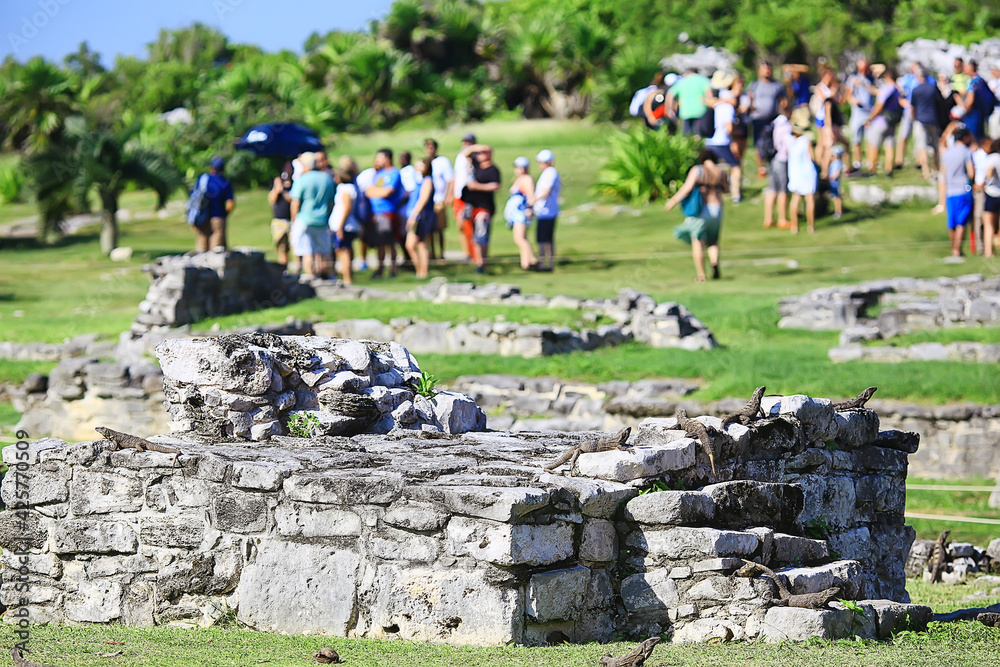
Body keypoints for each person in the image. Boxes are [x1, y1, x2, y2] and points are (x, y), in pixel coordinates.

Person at [665, 149, 728, 282]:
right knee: (713, 240)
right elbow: (726, 189)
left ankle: (701, 275)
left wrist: (673, 201)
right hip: (717, 209)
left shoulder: (698, 170)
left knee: (697, 241)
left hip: (701, 209)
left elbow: (686, 188)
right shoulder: (720, 171)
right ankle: (714, 263)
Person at [289, 152, 335, 279]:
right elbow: (331, 202)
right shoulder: (327, 178)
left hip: (304, 219)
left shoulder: (302, 179)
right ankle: (329, 276)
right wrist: (327, 216)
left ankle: (311, 276)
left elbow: (295, 202)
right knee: (324, 250)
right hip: (322, 220)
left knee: (307, 250)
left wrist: (294, 219)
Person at [460, 144, 501, 273]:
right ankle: (478, 261)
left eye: (483, 152)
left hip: (484, 207)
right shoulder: (476, 166)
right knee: (474, 235)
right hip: (472, 206)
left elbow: (496, 186)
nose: (480, 155)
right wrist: (475, 148)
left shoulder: (493, 169)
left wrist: (477, 186)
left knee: (481, 235)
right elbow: (463, 154)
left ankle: (482, 262)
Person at [365, 148, 404, 278]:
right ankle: (380, 269)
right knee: (379, 242)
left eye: (379, 158)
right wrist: (378, 192)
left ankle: (393, 269)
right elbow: (368, 191)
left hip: (388, 212)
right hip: (376, 212)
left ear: (387, 159)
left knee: (390, 242)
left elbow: (387, 192)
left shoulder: (394, 173)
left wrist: (377, 192)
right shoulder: (378, 174)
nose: (377, 161)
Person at [747, 61, 787, 178]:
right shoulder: (754, 85)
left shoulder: (777, 85)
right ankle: (761, 168)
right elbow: (748, 100)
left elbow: (783, 101)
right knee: (758, 144)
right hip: (758, 119)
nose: (767, 71)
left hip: (773, 119)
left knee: (774, 143)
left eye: (769, 69)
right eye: (764, 69)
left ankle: (773, 165)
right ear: (759, 71)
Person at [705, 86, 742, 204]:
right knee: (736, 167)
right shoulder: (728, 108)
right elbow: (729, 128)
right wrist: (736, 134)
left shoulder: (716, 106)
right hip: (722, 141)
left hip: (710, 141)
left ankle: (713, 193)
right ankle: (736, 194)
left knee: (713, 167)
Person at [941, 126, 975, 256]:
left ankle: (953, 249)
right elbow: (971, 173)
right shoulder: (966, 152)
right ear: (965, 138)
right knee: (962, 221)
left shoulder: (947, 153)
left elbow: (944, 174)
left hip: (950, 190)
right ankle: (957, 250)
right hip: (963, 189)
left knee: (952, 222)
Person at [864, 66, 902, 177]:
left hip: (882, 121)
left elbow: (879, 105)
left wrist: (870, 118)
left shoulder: (887, 88)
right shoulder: (897, 89)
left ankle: (872, 170)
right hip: (893, 121)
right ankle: (889, 170)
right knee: (889, 145)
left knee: (874, 144)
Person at [329, 157, 362, 285]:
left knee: (344, 251)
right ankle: (347, 277)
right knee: (343, 250)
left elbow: (347, 208)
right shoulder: (348, 188)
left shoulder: (345, 189)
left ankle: (348, 279)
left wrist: (340, 226)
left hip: (345, 225)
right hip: (345, 225)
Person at [193, 156, 234, 252]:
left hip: (201, 217)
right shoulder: (225, 182)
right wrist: (224, 215)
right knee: (216, 249)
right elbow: (230, 204)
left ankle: (200, 265)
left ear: (211, 168)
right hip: (218, 216)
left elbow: (194, 199)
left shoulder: (203, 180)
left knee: (202, 245)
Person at [404, 159, 435, 279]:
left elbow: (423, 200)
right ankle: (419, 271)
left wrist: (414, 215)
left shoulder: (427, 181)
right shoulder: (418, 180)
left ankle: (423, 272)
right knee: (410, 245)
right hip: (414, 215)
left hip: (421, 216)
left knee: (421, 243)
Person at [787, 113, 818, 234]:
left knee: (795, 198)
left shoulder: (790, 142)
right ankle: (811, 226)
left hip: (794, 173)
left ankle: (794, 226)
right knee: (810, 199)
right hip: (806, 173)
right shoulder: (806, 141)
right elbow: (812, 157)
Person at [910, 67, 944, 180]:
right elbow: (940, 104)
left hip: (920, 119)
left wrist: (914, 118)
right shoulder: (933, 89)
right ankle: (936, 168)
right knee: (935, 145)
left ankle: (925, 171)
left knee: (922, 146)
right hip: (933, 119)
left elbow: (912, 107)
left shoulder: (916, 90)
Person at [845, 59, 877, 173]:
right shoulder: (852, 79)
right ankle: (857, 163)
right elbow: (848, 96)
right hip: (857, 113)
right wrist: (853, 100)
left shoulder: (871, 79)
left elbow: (876, 92)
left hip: (869, 113)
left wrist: (864, 83)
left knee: (870, 139)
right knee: (856, 139)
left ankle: (870, 164)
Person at [506, 156, 538, 270]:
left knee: (520, 238)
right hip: (516, 213)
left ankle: (530, 260)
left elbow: (530, 195)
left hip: (521, 212)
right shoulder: (519, 179)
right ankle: (526, 261)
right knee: (521, 238)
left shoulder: (526, 179)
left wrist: (529, 208)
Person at [532, 149, 561, 271]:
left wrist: (533, 200)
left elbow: (546, 191)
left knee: (544, 239)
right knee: (546, 239)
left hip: (546, 212)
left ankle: (545, 263)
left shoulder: (550, 172)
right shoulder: (548, 172)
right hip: (546, 211)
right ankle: (547, 263)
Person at [425, 139, 453, 261]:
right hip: (428, 200)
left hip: (439, 199)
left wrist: (448, 196)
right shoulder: (425, 162)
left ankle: (441, 253)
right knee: (429, 229)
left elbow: (449, 180)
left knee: (439, 228)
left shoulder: (442, 161)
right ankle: (431, 254)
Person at [763, 113, 792, 229]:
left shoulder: (773, 124)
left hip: (772, 159)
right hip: (782, 159)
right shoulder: (785, 125)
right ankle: (782, 219)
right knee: (782, 190)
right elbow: (787, 144)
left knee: (772, 188)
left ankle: (768, 218)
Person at [666, 67, 712, 136]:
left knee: (686, 134)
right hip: (700, 110)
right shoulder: (703, 79)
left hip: (685, 111)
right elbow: (709, 94)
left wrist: (669, 109)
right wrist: (710, 104)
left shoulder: (682, 81)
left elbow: (670, 94)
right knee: (698, 134)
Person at [453, 133, 476, 261]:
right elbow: (455, 176)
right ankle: (467, 253)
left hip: (468, 196)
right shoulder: (460, 157)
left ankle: (473, 254)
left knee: (468, 225)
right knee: (460, 226)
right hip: (458, 196)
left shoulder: (475, 158)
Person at [895, 63, 922, 170]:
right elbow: (897, 90)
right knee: (903, 135)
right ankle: (899, 160)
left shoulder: (923, 79)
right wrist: (903, 101)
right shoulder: (907, 79)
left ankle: (919, 161)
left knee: (918, 137)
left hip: (919, 111)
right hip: (908, 111)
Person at [267, 162, 293, 269]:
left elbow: (294, 200)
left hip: (292, 220)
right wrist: (277, 189)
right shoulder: (277, 183)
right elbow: (271, 200)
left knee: (295, 248)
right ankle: (283, 270)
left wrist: (286, 193)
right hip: (279, 220)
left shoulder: (296, 182)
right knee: (282, 248)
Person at [963, 59, 994, 142]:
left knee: (973, 140)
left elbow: (970, 100)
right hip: (981, 114)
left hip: (972, 115)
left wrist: (963, 110)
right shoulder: (981, 80)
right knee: (981, 139)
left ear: (971, 67)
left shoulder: (973, 82)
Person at [355, 162, 376, 271]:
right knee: (363, 238)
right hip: (366, 212)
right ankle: (363, 261)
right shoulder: (367, 175)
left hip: (376, 211)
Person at [982, 140, 1000, 257]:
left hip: (992, 193)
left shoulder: (993, 158)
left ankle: (989, 251)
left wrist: (985, 181)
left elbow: (989, 172)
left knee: (988, 224)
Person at [828, 145, 845, 220]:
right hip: (832, 183)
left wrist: (832, 177)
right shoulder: (834, 162)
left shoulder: (838, 163)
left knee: (836, 198)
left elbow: (837, 172)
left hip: (835, 183)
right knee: (835, 197)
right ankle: (838, 211)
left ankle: (838, 211)